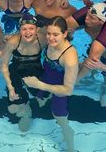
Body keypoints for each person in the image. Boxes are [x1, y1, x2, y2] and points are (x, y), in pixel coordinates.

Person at [23, 16, 78, 152]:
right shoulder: (49, 41)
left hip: (60, 89)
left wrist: (38, 85)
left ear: (65, 34)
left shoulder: (69, 57)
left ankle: (70, 145)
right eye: (49, 33)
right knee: (38, 99)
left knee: (59, 117)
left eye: (56, 34)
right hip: (46, 77)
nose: (50, 38)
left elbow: (68, 90)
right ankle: (41, 100)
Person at [0, 13, 46, 132]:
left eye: (31, 28)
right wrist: (10, 88)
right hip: (16, 70)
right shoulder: (13, 42)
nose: (28, 32)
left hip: (36, 69)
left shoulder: (43, 39)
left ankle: (29, 102)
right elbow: (3, 65)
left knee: (44, 98)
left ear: (37, 29)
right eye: (24, 29)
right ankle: (26, 110)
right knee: (13, 108)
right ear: (19, 30)